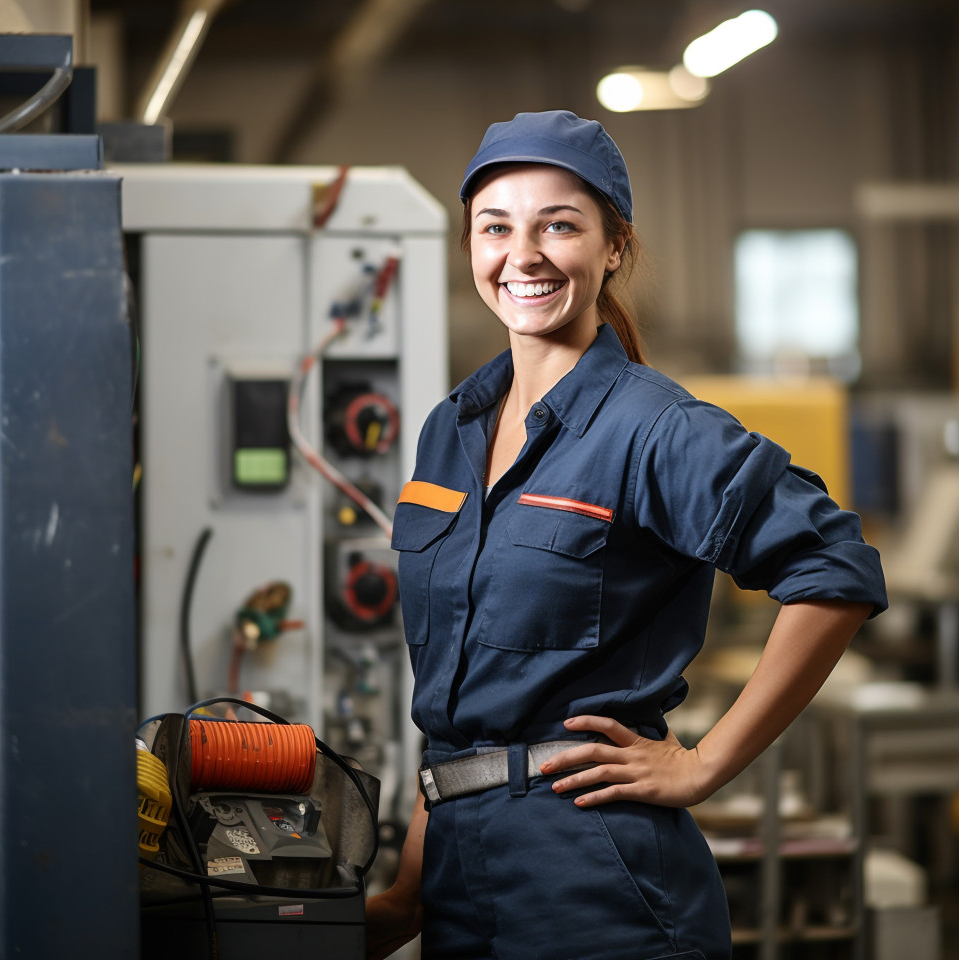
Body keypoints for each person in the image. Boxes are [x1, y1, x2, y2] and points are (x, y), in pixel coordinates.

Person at [366, 110, 886, 960]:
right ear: (470, 246)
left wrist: (704, 765)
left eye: (559, 226)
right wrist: (406, 899)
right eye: (496, 227)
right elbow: (463, 716)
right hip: (459, 888)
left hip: (598, 890)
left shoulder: (656, 428)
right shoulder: (449, 429)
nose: (522, 254)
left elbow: (835, 567)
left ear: (614, 249)